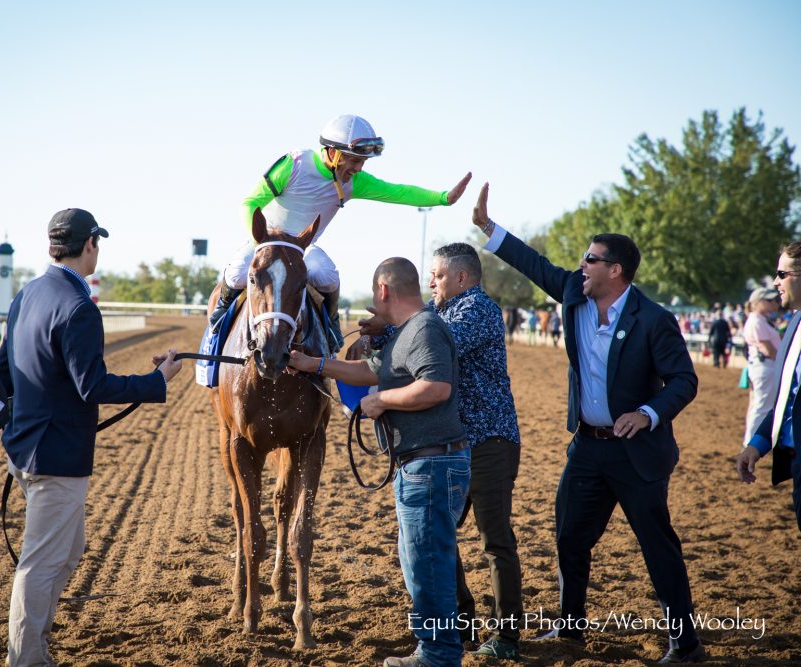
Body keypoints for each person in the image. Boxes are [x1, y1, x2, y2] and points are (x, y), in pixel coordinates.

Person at [472, 184, 704, 664]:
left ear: (615, 270)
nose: (582, 264)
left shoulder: (653, 319)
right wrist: (489, 229)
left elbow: (684, 380)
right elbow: (534, 265)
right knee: (569, 536)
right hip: (587, 447)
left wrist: (647, 413)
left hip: (638, 452)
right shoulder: (574, 295)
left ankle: (686, 644)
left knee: (657, 545)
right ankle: (571, 627)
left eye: (591, 258)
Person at [0, 209, 183, 666]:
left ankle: (33, 645)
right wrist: (156, 380)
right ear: (91, 245)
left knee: (69, 551)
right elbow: (92, 386)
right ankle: (26, 659)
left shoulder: (28, 294)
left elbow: (4, 371)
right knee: (40, 565)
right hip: (56, 457)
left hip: (24, 448)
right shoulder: (79, 307)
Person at [290, 257, 468, 667]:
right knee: (419, 563)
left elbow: (436, 387)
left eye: (374, 293)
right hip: (422, 466)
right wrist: (313, 364)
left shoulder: (424, 329)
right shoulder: (409, 332)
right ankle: (434, 649)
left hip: (432, 466)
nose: (373, 300)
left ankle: (439, 656)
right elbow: (369, 370)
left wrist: (381, 401)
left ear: (384, 291)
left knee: (428, 566)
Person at [352, 243, 523, 660]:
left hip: (489, 441)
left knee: (493, 539)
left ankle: (505, 635)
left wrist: (387, 328)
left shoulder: (476, 310)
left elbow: (431, 338)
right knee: (438, 538)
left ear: (462, 278)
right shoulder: (441, 313)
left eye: (438, 276)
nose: (431, 282)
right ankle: (459, 626)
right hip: (459, 441)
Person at [209, 114, 472, 349]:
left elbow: (398, 192)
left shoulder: (354, 182)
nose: (358, 168)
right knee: (235, 272)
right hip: (266, 242)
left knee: (328, 275)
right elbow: (250, 203)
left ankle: (331, 324)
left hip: (303, 248)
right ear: (333, 152)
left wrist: (443, 197)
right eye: (354, 160)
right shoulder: (295, 164)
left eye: (362, 162)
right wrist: (262, 242)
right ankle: (219, 318)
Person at [735, 243, 801, 532]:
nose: (775, 282)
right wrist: (758, 444)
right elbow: (788, 398)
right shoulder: (795, 323)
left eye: (781, 273)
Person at [741, 287, 782, 446]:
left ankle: (751, 440)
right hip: (765, 365)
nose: (774, 303)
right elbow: (768, 349)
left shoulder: (759, 319)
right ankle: (752, 442)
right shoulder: (757, 320)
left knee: (759, 405)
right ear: (758, 303)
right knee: (762, 407)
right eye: (770, 300)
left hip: (762, 366)